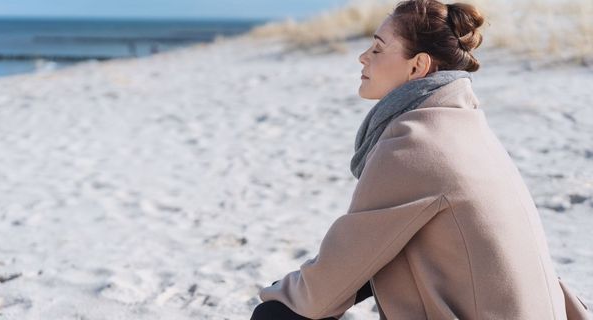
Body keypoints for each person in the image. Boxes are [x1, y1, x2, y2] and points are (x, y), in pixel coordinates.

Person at [251, 0, 591, 319]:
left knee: (276, 314)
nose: (363, 57)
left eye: (378, 48)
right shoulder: (466, 125)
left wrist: (276, 294)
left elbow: (328, 282)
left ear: (418, 66)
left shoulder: (416, 144)